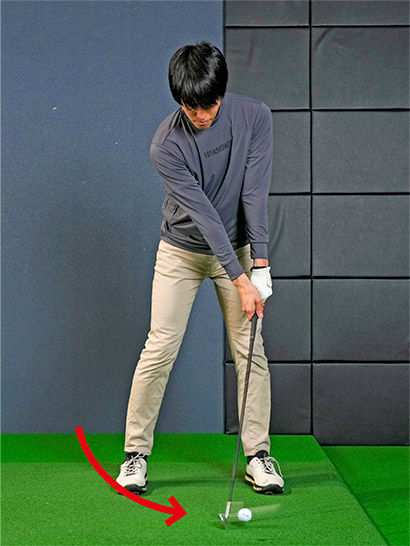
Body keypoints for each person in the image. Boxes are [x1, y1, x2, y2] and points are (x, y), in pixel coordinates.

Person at [116, 41, 284, 495]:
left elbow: (254, 192)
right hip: (182, 251)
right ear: (179, 100)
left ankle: (259, 455)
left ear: (221, 94)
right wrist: (241, 278)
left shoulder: (254, 117)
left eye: (209, 105)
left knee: (250, 349)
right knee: (160, 346)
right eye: (191, 107)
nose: (201, 115)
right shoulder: (165, 146)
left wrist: (261, 265)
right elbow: (206, 216)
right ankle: (135, 456)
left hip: (240, 249)